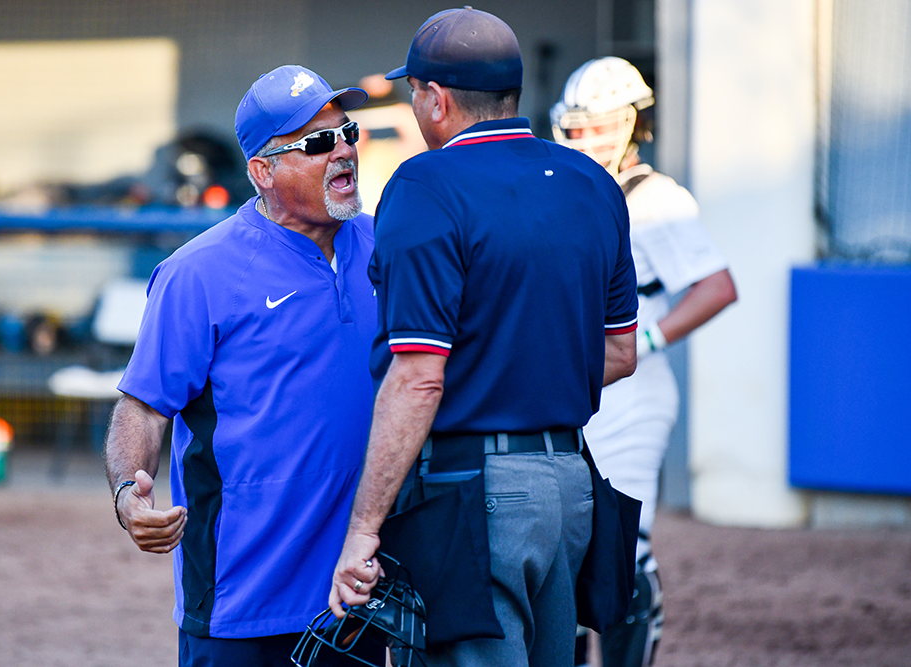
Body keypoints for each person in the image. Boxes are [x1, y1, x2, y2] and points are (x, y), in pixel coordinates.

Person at [329, 8, 640, 667]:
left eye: (413, 91)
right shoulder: (594, 182)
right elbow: (620, 352)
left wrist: (362, 529)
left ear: (435, 98)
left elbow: (418, 376)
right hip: (570, 485)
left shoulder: (425, 183)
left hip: (476, 492)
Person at [104, 65, 382, 667]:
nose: (342, 151)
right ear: (262, 171)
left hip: (358, 595)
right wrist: (129, 491)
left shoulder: (385, 248)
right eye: (316, 142)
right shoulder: (199, 272)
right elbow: (144, 406)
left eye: (346, 132)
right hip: (241, 601)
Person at [550, 56, 738, 667]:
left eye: (599, 124)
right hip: (580, 387)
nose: (584, 138)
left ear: (635, 122)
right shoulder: (574, 187)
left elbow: (717, 285)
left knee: (622, 548)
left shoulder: (656, 196)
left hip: (632, 388)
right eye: (575, 126)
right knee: (568, 549)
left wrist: (649, 341)